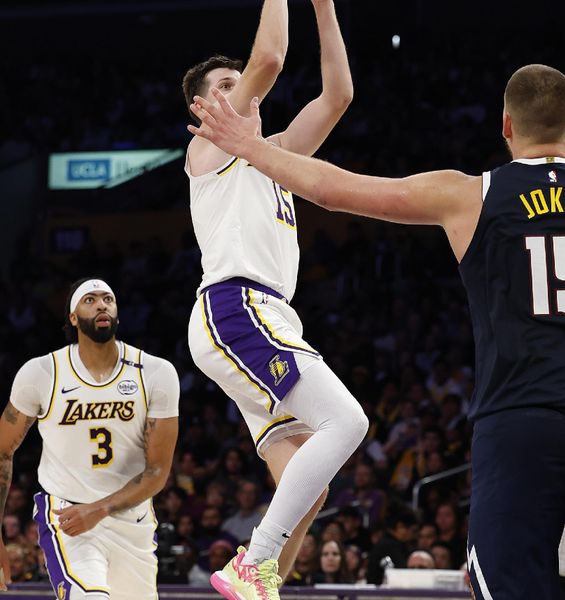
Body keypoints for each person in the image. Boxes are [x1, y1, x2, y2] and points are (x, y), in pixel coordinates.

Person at [188, 63, 565, 599]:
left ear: (505, 126)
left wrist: (253, 147)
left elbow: (337, 191)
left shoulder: (469, 195)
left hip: (518, 431)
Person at [181, 0, 366, 598]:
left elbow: (338, 95)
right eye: (227, 88)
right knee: (348, 420)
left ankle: (264, 584)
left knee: (309, 481)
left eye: (242, 86)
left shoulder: (275, 155)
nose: (243, 91)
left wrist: (325, 8)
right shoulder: (209, 151)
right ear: (204, 109)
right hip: (236, 308)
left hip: (264, 316)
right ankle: (252, 561)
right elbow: (271, 56)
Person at [0, 277, 180, 598]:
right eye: (90, 299)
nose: (101, 304)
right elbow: (2, 450)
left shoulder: (155, 372)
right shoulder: (42, 373)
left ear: (117, 313)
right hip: (68, 518)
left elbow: (157, 471)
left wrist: (100, 509)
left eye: (108, 299)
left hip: (133, 521)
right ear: (72, 317)